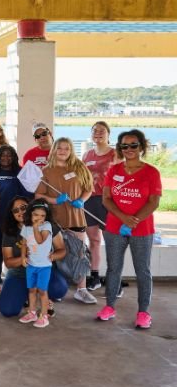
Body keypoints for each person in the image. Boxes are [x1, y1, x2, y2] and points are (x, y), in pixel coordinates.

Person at [97, 129, 162, 329]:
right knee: (113, 268)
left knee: (143, 270)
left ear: (141, 147)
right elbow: (106, 199)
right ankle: (109, 307)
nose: (129, 149)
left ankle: (143, 312)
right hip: (115, 228)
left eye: (133, 145)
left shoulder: (151, 172)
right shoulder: (114, 171)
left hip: (142, 230)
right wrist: (123, 218)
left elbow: (154, 202)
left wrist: (134, 221)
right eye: (124, 146)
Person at [35, 137, 96, 304]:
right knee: (54, 255)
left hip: (76, 217)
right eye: (60, 148)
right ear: (54, 150)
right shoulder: (46, 171)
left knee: (79, 254)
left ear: (71, 151)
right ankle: (52, 289)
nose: (63, 151)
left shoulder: (79, 167)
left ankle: (81, 290)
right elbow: (38, 196)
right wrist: (55, 201)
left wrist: (82, 200)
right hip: (55, 220)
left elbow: (89, 188)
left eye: (66, 148)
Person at [0, 196, 68, 318]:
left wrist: (51, 256)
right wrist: (25, 257)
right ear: (12, 214)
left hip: (43, 269)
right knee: (7, 310)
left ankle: (41, 297)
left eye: (23, 207)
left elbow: (62, 250)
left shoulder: (48, 225)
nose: (20, 212)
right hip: (19, 274)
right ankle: (30, 298)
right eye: (15, 210)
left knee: (59, 288)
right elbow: (8, 263)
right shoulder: (10, 232)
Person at [0, 145, 29, 294]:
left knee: (17, 251)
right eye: (2, 155)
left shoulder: (20, 173)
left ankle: (20, 281)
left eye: (9, 155)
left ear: (14, 157)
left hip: (14, 221)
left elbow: (27, 197)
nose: (5, 158)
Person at [82, 121, 117, 291]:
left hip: (109, 201)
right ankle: (94, 277)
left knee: (112, 241)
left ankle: (114, 279)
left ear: (108, 134)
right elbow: (81, 178)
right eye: (94, 130)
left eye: (102, 130)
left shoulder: (115, 154)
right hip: (90, 201)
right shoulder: (87, 155)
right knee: (94, 240)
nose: (98, 133)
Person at [18, 199, 54, 328]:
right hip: (31, 265)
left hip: (44, 266)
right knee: (31, 290)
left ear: (47, 216)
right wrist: (23, 257)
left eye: (42, 215)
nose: (39, 218)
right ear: (30, 214)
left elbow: (39, 241)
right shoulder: (26, 227)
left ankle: (44, 316)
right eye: (36, 215)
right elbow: (24, 243)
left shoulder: (46, 226)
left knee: (42, 291)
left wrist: (35, 227)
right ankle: (32, 312)